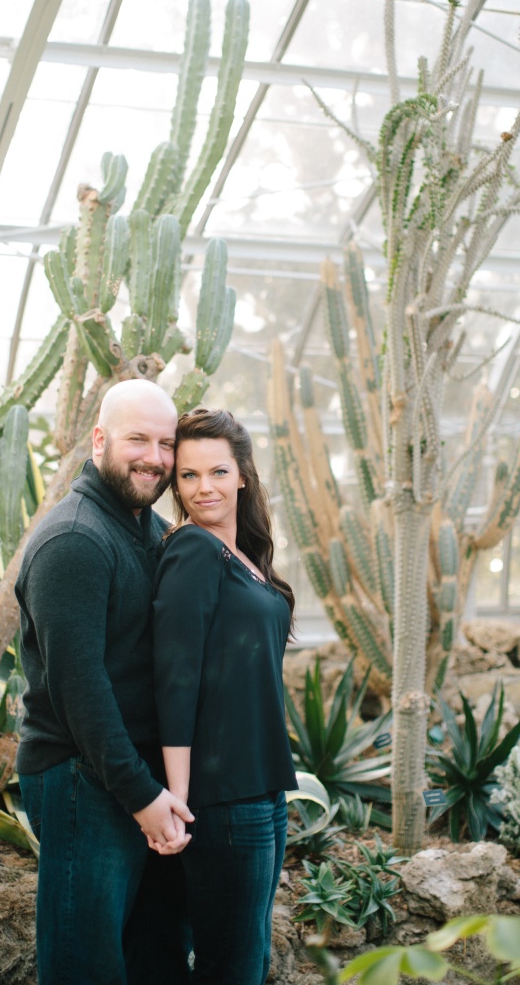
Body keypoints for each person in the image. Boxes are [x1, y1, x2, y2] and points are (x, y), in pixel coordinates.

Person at [15, 379, 193, 985]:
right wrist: (143, 797)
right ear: (99, 440)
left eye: (166, 444)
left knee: (146, 957)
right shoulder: (75, 540)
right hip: (80, 781)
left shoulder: (143, 526)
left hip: (128, 779)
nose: (155, 458)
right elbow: (79, 691)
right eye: (138, 439)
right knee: (84, 966)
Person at [151, 407, 297, 984]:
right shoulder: (191, 552)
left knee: (251, 957)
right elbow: (175, 678)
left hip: (262, 787)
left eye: (216, 472)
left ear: (242, 475)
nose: (203, 488)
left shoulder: (244, 556)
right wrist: (179, 799)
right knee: (231, 967)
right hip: (222, 799)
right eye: (188, 476)